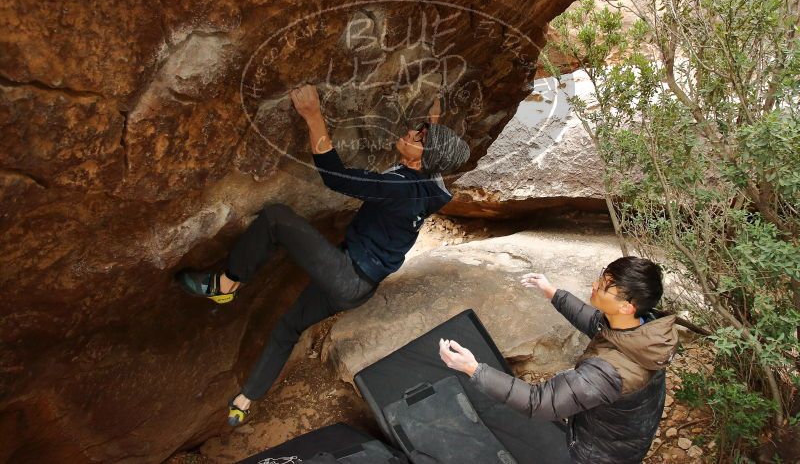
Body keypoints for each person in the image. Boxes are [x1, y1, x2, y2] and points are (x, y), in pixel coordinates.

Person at [178, 84, 470, 426]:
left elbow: (336, 177)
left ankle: (225, 284)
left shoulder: (400, 188)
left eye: (419, 136)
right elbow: (437, 154)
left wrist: (312, 115)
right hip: (359, 286)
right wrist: (434, 117)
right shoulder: (430, 189)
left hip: (346, 274)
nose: (411, 131)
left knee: (275, 218)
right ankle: (246, 400)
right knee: (288, 327)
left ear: (421, 159)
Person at [439, 256, 679, 464]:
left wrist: (474, 369)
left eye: (605, 287)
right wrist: (552, 293)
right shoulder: (643, 329)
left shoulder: (607, 372)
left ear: (627, 306)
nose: (595, 285)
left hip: (602, 454)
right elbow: (595, 323)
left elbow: (540, 402)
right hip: (629, 433)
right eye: (601, 277)